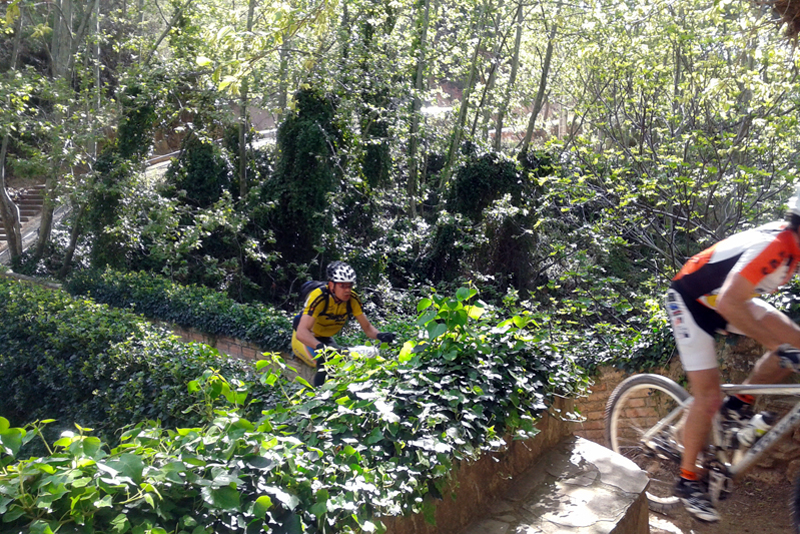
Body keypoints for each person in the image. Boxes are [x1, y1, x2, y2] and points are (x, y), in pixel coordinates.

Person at [665, 185, 800, 522]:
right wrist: (777, 347)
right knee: (708, 396)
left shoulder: (792, 248)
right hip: (692, 299)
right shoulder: (776, 246)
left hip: (724, 298)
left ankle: (738, 405)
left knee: (795, 341)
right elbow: (728, 301)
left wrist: (783, 346)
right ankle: (687, 480)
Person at [292, 261, 396, 386]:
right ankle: (319, 396)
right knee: (326, 361)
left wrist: (380, 335)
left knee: (340, 361)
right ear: (331, 285)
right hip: (305, 339)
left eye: (350, 286)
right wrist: (320, 347)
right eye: (342, 286)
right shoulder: (319, 297)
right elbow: (302, 333)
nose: (347, 290)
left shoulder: (352, 299)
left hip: (325, 337)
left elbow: (367, 328)